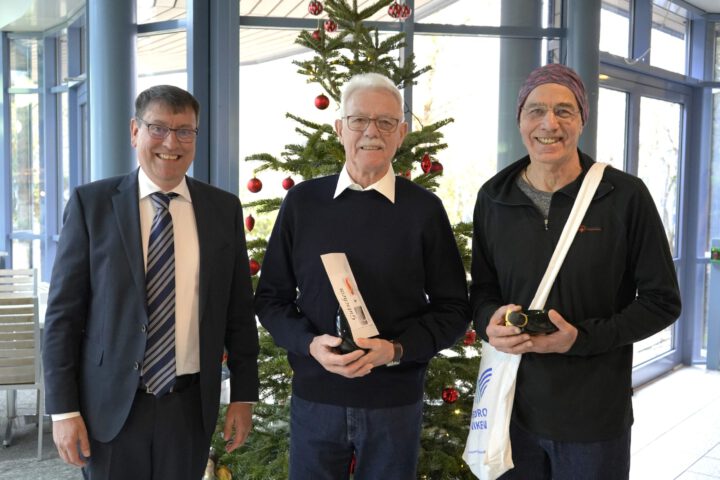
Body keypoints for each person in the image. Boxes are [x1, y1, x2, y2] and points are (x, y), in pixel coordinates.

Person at [470, 63, 682, 479]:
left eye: (564, 111)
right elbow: (482, 290)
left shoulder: (624, 196)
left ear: (582, 119)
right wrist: (489, 322)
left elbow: (662, 302)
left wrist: (580, 339)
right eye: (536, 110)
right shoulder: (494, 197)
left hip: (594, 418)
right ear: (520, 120)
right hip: (510, 409)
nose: (549, 123)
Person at [254, 72, 470, 480]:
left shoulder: (424, 210)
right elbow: (270, 299)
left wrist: (397, 350)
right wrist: (309, 344)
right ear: (340, 128)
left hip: (394, 403)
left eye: (386, 121)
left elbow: (454, 309)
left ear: (401, 133)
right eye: (358, 120)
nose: (372, 131)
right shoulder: (302, 203)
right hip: (316, 398)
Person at [42, 85, 260, 479]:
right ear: (134, 132)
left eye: (184, 131)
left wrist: (244, 396)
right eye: (157, 128)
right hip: (109, 407)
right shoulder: (92, 205)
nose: (171, 143)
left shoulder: (222, 209)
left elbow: (239, 313)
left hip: (189, 407)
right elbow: (63, 317)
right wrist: (64, 410)